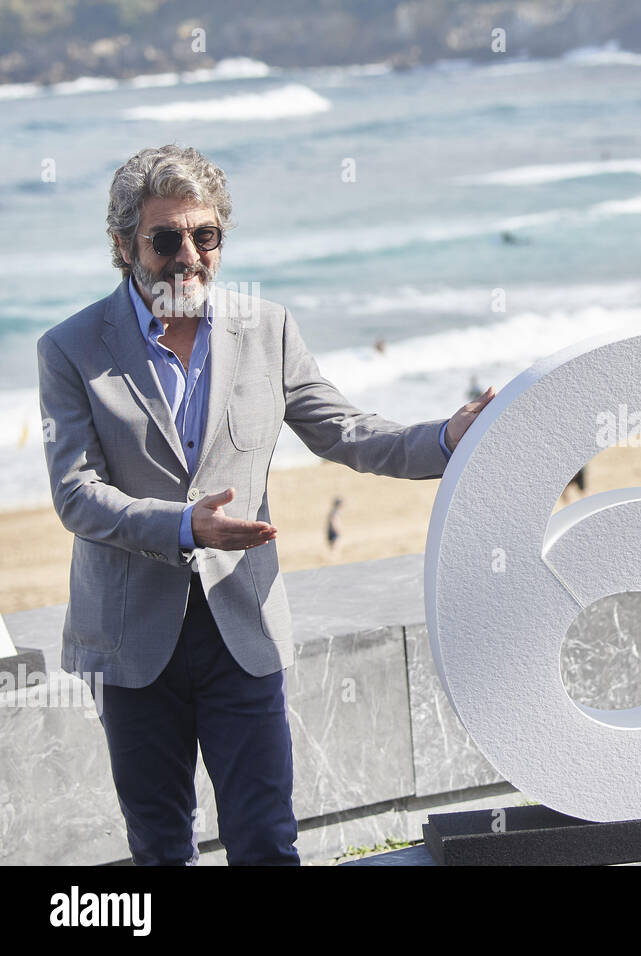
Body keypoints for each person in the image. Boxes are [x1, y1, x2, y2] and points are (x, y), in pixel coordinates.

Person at [36, 144, 497, 866]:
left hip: (242, 632)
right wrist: (185, 526)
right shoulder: (68, 349)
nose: (188, 255)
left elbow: (344, 431)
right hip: (129, 643)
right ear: (124, 246)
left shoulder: (267, 328)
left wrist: (445, 438)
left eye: (206, 236)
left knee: (266, 843)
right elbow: (76, 494)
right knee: (160, 850)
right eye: (166, 239)